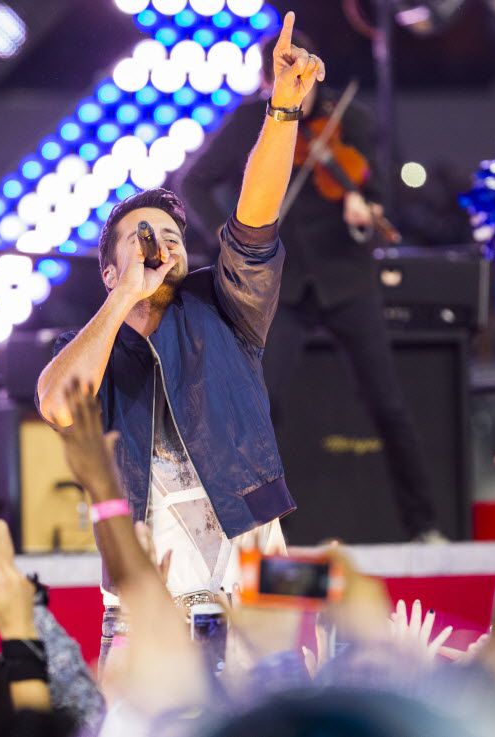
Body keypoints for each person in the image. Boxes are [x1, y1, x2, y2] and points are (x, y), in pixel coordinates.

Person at [35, 12, 325, 665]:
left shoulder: (220, 307)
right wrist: (123, 298)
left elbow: (254, 219)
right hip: (144, 612)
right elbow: (55, 402)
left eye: (170, 236)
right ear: (110, 269)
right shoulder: (99, 345)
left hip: (256, 591)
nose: (163, 246)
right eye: (143, 239)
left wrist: (282, 112)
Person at [175, 28, 444, 543]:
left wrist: (363, 211)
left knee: (387, 401)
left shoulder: (354, 120)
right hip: (283, 286)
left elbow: (380, 194)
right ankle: (264, 530)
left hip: (347, 280)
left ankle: (424, 524)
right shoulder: (252, 122)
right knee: (262, 403)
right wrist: (227, 237)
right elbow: (194, 182)